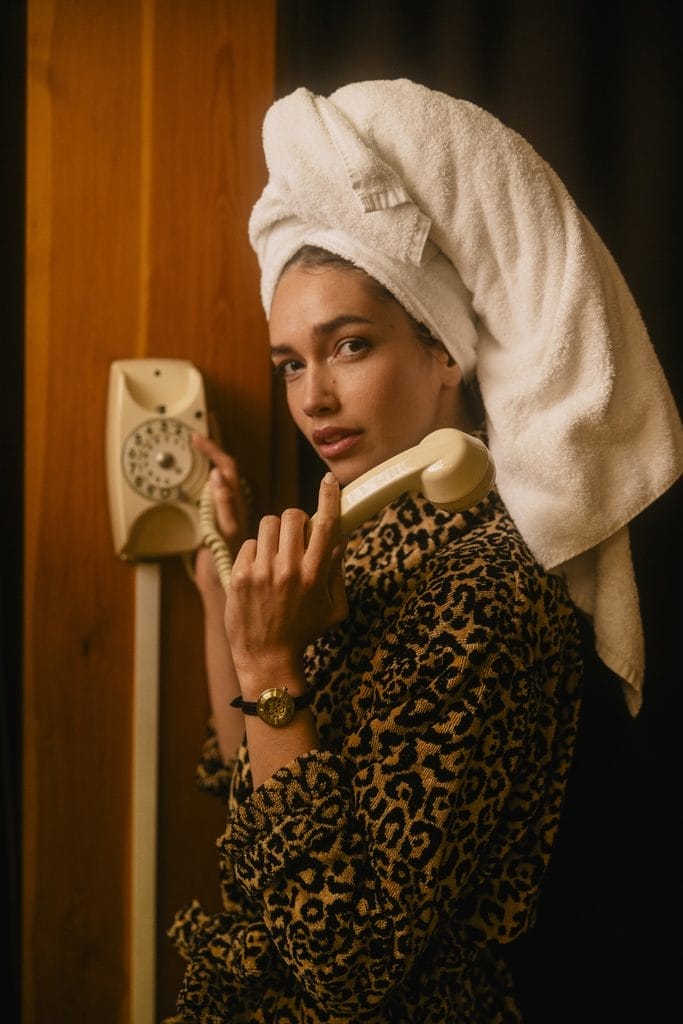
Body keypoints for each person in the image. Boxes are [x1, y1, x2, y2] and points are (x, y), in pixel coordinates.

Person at [163, 81, 682, 1023]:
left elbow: (343, 964)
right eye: (290, 363)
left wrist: (272, 662)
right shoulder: (359, 545)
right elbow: (243, 783)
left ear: (444, 351)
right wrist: (222, 587)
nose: (312, 397)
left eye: (348, 346)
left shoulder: (488, 583)